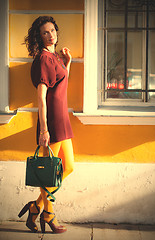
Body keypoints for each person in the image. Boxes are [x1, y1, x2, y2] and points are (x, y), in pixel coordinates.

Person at [18, 16, 74, 234]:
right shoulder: (43, 59)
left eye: (52, 30)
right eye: (45, 32)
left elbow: (60, 81)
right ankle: (49, 215)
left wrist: (67, 63)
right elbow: (41, 97)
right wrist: (43, 129)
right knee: (48, 173)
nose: (51, 35)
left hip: (63, 119)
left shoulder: (55, 57)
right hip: (51, 121)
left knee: (68, 167)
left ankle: (35, 207)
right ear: (38, 37)